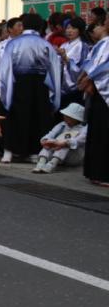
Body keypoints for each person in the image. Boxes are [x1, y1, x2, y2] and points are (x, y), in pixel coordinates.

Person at [0, 12, 62, 164]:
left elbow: (5, 70)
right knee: (38, 116)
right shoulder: (45, 44)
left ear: (23, 25)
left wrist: (5, 90)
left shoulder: (13, 43)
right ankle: (34, 151)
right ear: (40, 26)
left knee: (15, 116)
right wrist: (55, 93)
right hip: (40, 85)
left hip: (18, 83)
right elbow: (55, 70)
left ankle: (10, 151)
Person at [77, 20, 109, 186]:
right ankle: (97, 172)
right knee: (98, 130)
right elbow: (92, 63)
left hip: (103, 88)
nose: (106, 23)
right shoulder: (103, 43)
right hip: (99, 90)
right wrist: (86, 78)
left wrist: (89, 78)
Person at [33, 103, 87, 173]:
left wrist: (63, 143)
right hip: (58, 154)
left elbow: (80, 140)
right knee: (49, 142)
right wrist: (45, 141)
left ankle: (52, 164)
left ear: (76, 119)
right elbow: (51, 134)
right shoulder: (61, 125)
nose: (66, 118)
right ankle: (41, 162)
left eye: (69, 117)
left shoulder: (83, 128)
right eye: (65, 116)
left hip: (74, 156)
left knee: (65, 144)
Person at [59, 18, 91, 108]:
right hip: (62, 85)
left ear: (79, 30)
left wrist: (65, 58)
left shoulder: (83, 46)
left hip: (75, 87)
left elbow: (83, 68)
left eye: (73, 28)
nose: (69, 31)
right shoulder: (63, 45)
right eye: (68, 28)